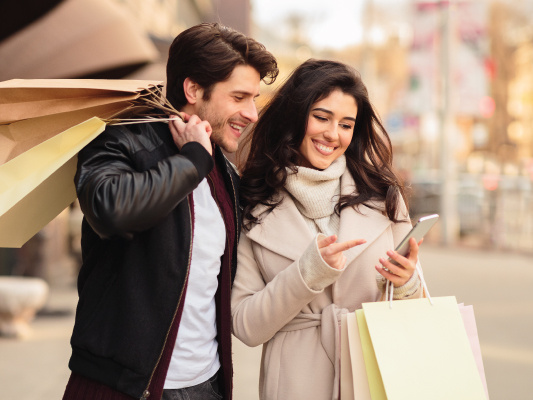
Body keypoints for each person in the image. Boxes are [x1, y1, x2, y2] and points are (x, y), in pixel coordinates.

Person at [62, 23, 278, 400]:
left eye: (254, 98)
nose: (252, 113)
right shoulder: (124, 136)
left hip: (206, 384)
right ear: (193, 90)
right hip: (125, 387)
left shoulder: (224, 169)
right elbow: (109, 208)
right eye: (240, 97)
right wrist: (192, 161)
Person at [231, 59, 423, 400]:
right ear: (295, 114)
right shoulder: (252, 201)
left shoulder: (384, 196)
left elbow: (418, 307)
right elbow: (245, 325)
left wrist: (408, 283)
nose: (333, 134)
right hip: (295, 383)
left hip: (375, 374)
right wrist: (307, 273)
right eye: (321, 117)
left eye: (346, 124)